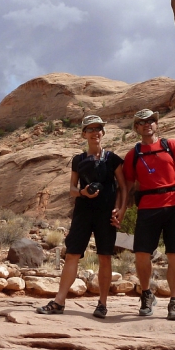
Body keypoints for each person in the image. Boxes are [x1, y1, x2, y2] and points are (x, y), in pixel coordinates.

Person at [36, 114, 127, 318]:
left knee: (104, 257)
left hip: (106, 214)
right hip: (83, 212)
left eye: (98, 129)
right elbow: (71, 189)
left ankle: (102, 304)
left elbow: (123, 187)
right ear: (84, 133)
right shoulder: (78, 160)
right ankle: (59, 302)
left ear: (103, 133)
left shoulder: (112, 159)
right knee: (72, 255)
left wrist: (121, 210)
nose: (95, 132)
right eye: (91, 129)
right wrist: (83, 192)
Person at [117, 108, 175, 321]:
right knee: (141, 253)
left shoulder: (172, 146)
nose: (147, 124)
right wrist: (121, 208)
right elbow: (128, 186)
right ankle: (146, 294)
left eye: (151, 121)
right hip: (148, 208)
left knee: (174, 255)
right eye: (142, 122)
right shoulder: (133, 155)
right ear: (136, 128)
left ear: (156, 124)